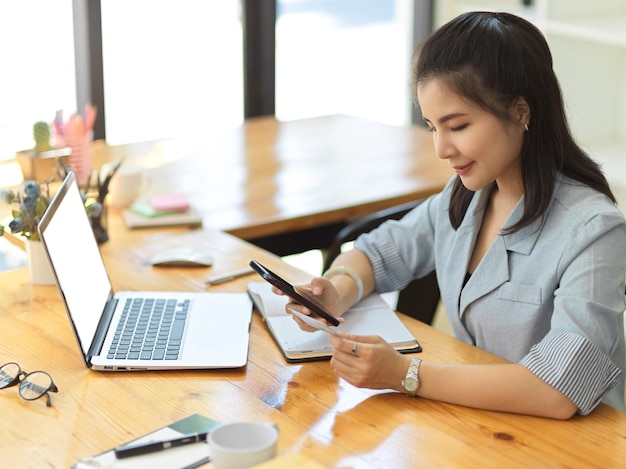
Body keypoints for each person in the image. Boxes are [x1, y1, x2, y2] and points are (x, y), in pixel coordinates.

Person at [280, 11, 626, 419]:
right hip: (480, 424)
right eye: (432, 127)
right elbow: (378, 252)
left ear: (520, 112)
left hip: (572, 447)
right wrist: (338, 290)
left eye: (457, 126)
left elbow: (559, 390)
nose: (441, 148)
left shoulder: (594, 232)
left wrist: (406, 373)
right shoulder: (465, 198)